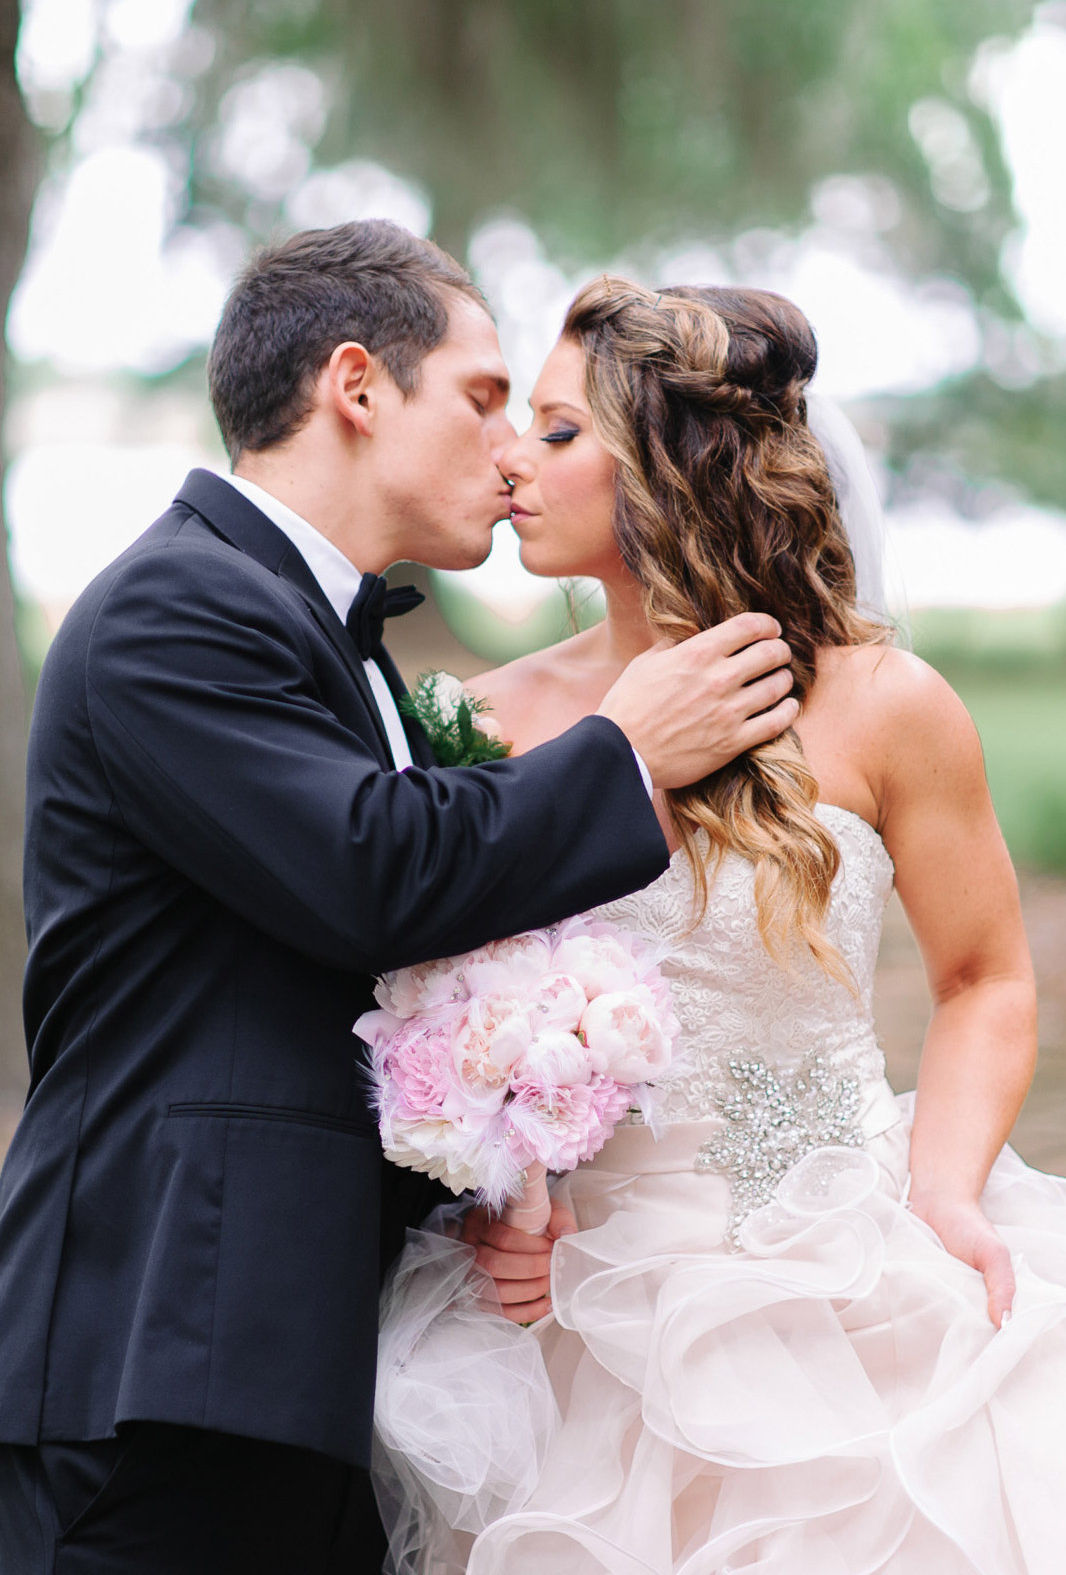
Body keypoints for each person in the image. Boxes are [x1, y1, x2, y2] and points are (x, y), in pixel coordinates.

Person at [0, 226, 801, 1575]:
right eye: (484, 399)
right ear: (357, 387)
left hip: (289, 1366)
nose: (508, 450)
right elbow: (371, 872)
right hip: (158, 1357)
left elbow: (376, 976)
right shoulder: (173, 606)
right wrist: (624, 750)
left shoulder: (342, 643)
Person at [374, 278, 1066, 1573]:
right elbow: (451, 1013)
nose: (509, 458)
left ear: (671, 466)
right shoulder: (477, 725)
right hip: (572, 1312)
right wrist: (505, 1197)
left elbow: (983, 980)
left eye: (559, 430)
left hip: (848, 1273)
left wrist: (942, 1191)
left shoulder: (885, 704)